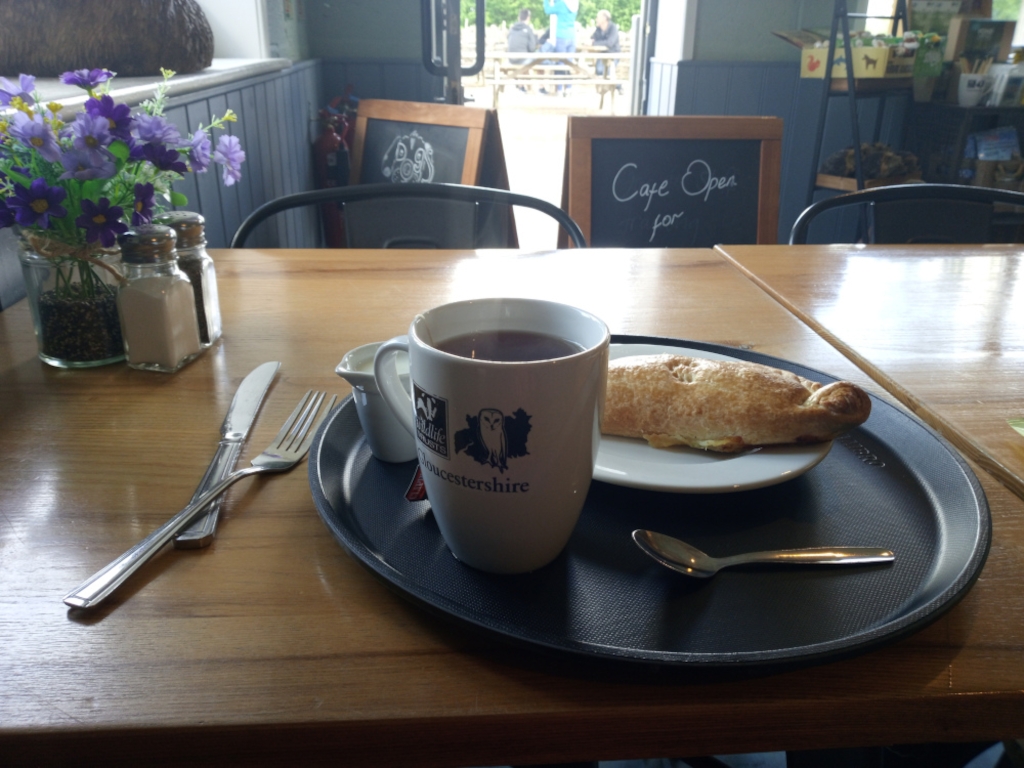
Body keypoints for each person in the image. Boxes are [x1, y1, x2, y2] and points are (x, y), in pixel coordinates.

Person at [542, 0, 579, 94]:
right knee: (569, 63)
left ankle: (559, 88)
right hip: (572, 36)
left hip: (561, 35)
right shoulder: (575, 3)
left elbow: (548, 10)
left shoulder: (561, 4)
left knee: (561, 63)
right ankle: (569, 88)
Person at [591, 9, 620, 78]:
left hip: (613, 54)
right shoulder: (599, 29)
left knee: (609, 72)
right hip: (602, 54)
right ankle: (605, 87)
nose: (596, 19)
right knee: (599, 71)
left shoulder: (613, 28)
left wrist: (595, 43)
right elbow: (592, 38)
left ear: (604, 18)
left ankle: (617, 85)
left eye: (598, 17)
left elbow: (610, 43)